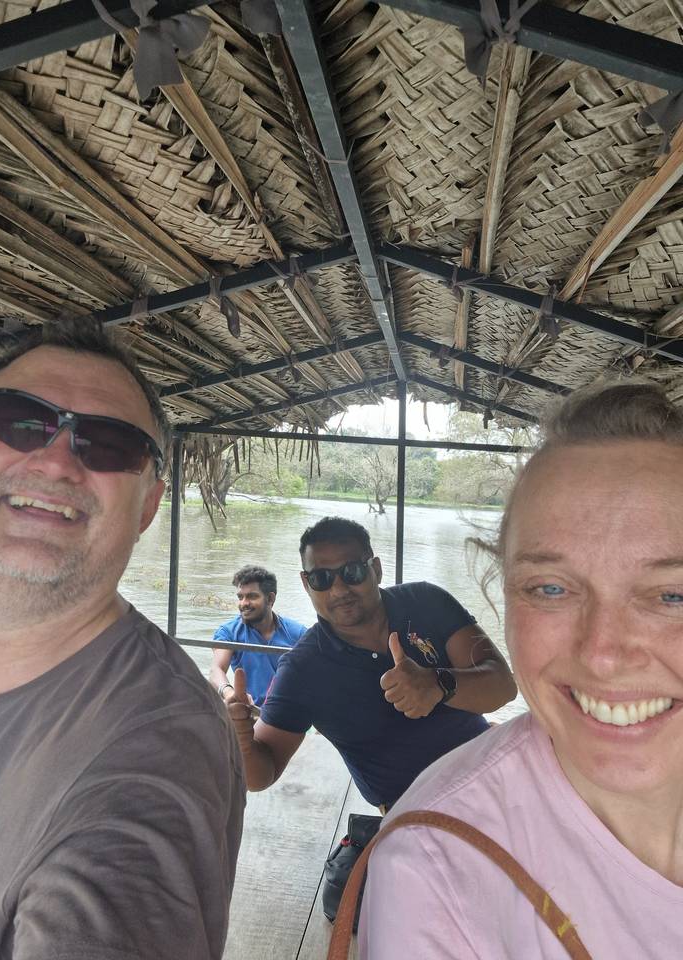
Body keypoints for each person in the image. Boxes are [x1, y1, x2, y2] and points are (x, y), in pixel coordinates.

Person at [360, 380, 683, 959]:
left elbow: (495, 682)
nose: (603, 654)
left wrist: (437, 686)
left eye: (673, 595)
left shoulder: (426, 602)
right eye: (550, 589)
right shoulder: (436, 865)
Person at [0, 317, 245, 960]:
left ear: (148, 507)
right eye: (18, 421)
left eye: (110, 444)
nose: (58, 461)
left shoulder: (158, 741)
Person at [227, 516, 517, 811]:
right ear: (306, 583)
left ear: (375, 569)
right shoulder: (303, 669)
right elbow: (262, 775)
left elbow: (503, 686)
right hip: (417, 813)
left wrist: (439, 684)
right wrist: (241, 741)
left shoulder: (426, 602)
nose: (339, 590)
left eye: (352, 572)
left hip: (494, 770)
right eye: (322, 578)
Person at [209, 564, 307, 706]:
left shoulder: (297, 633)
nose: (244, 603)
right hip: (248, 709)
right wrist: (230, 693)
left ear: (270, 599)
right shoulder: (229, 632)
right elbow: (216, 669)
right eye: (240, 597)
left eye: (252, 596)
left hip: (286, 711)